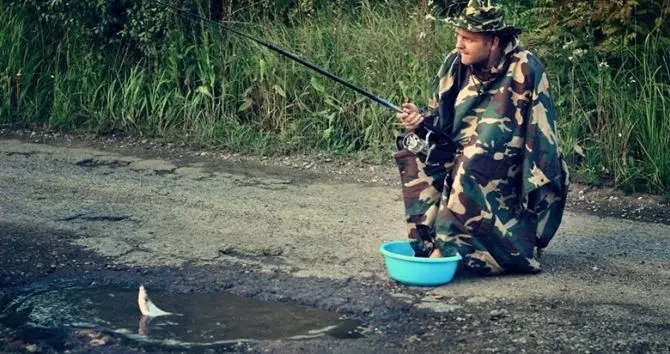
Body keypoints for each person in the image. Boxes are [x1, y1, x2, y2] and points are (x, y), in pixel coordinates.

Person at [395, 0, 569, 275]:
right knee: (416, 150)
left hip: (508, 155)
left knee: (473, 157)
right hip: (461, 147)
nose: (459, 45)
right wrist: (418, 120)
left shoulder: (526, 67)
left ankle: (453, 251)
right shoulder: (455, 64)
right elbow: (437, 119)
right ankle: (430, 242)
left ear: (494, 42)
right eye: (458, 36)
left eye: (468, 38)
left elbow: (542, 134)